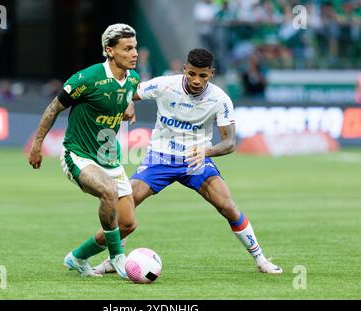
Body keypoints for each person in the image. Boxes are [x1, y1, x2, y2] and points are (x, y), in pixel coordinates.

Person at [94, 48, 282, 275]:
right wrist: (128, 102)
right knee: (126, 203)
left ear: (211, 74)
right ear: (184, 69)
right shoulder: (165, 85)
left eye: (203, 76)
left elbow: (230, 142)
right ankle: (114, 259)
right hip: (160, 158)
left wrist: (207, 151)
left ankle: (261, 259)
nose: (196, 80)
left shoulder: (220, 99)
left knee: (228, 207)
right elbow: (126, 91)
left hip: (196, 160)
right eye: (192, 73)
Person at [28, 23, 139, 279]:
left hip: (111, 159)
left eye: (135, 47)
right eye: (127, 48)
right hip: (79, 155)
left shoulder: (132, 78)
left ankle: (77, 257)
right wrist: (37, 145)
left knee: (128, 224)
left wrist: (130, 107)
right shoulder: (87, 79)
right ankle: (117, 258)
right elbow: (53, 109)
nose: (134, 53)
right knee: (108, 192)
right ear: (110, 51)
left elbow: (126, 96)